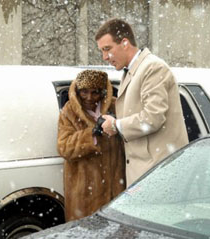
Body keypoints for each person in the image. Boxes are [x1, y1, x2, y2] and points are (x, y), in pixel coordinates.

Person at [95, 18, 189, 186]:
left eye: (107, 49)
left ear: (124, 43)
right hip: (146, 174)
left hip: (159, 173)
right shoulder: (132, 71)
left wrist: (116, 125)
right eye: (102, 51)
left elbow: (153, 118)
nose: (104, 57)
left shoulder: (153, 68)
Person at [57, 69, 126, 221]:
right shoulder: (69, 112)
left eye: (95, 92)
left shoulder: (116, 107)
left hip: (115, 187)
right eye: (84, 92)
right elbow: (64, 147)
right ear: (78, 91)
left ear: (102, 92)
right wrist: (91, 135)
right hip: (83, 192)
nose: (89, 97)